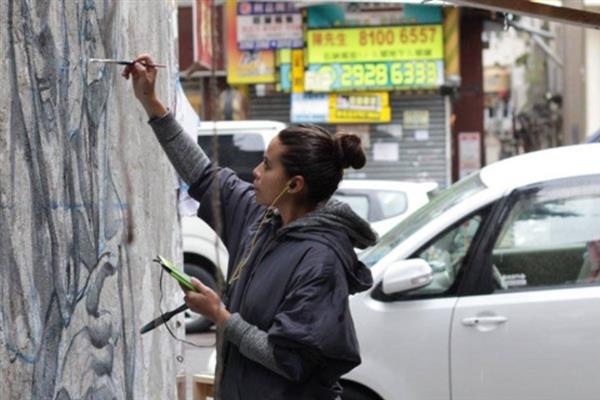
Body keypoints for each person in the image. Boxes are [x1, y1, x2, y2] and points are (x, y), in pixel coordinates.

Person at [122, 54, 377, 400]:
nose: (255, 172)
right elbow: (201, 173)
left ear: (295, 185)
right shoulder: (261, 219)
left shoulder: (321, 261)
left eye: (267, 165)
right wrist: (150, 101)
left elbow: (287, 358)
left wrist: (219, 315)